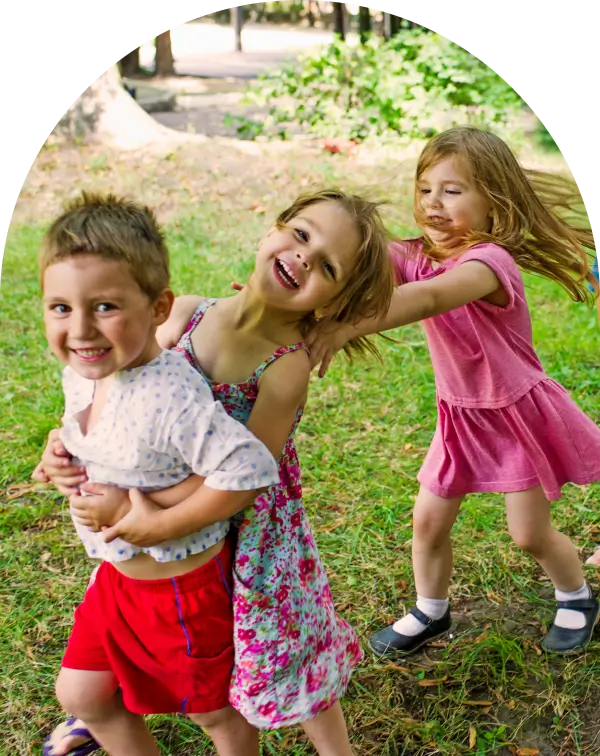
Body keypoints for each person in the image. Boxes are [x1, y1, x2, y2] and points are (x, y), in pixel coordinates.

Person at [38, 189, 396, 755]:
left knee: (286, 644)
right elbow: (125, 392)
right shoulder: (187, 314)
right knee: (123, 634)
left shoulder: (286, 367)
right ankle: (98, 708)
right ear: (272, 230)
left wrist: (148, 518)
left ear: (334, 300)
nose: (304, 256)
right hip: (154, 512)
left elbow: (250, 474)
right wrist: (71, 448)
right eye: (301, 235)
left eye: (327, 265)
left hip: (239, 520)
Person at [306, 127, 600, 657]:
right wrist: (292, 302)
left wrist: (347, 327)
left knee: (529, 534)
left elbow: (430, 297)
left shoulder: (489, 264)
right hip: (460, 419)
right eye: (424, 189)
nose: (432, 204)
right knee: (427, 521)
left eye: (452, 191)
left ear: (495, 202)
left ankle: (576, 595)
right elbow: (357, 268)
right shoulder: (411, 253)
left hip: (514, 417)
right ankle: (430, 610)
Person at [36, 192, 281, 756]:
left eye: (104, 306)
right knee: (84, 693)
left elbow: (248, 470)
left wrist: (155, 524)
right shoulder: (87, 371)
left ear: (157, 307)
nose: (80, 330)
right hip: (117, 582)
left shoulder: (169, 396)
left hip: (179, 590)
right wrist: (59, 457)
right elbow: (94, 435)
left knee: (216, 716)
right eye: (61, 308)